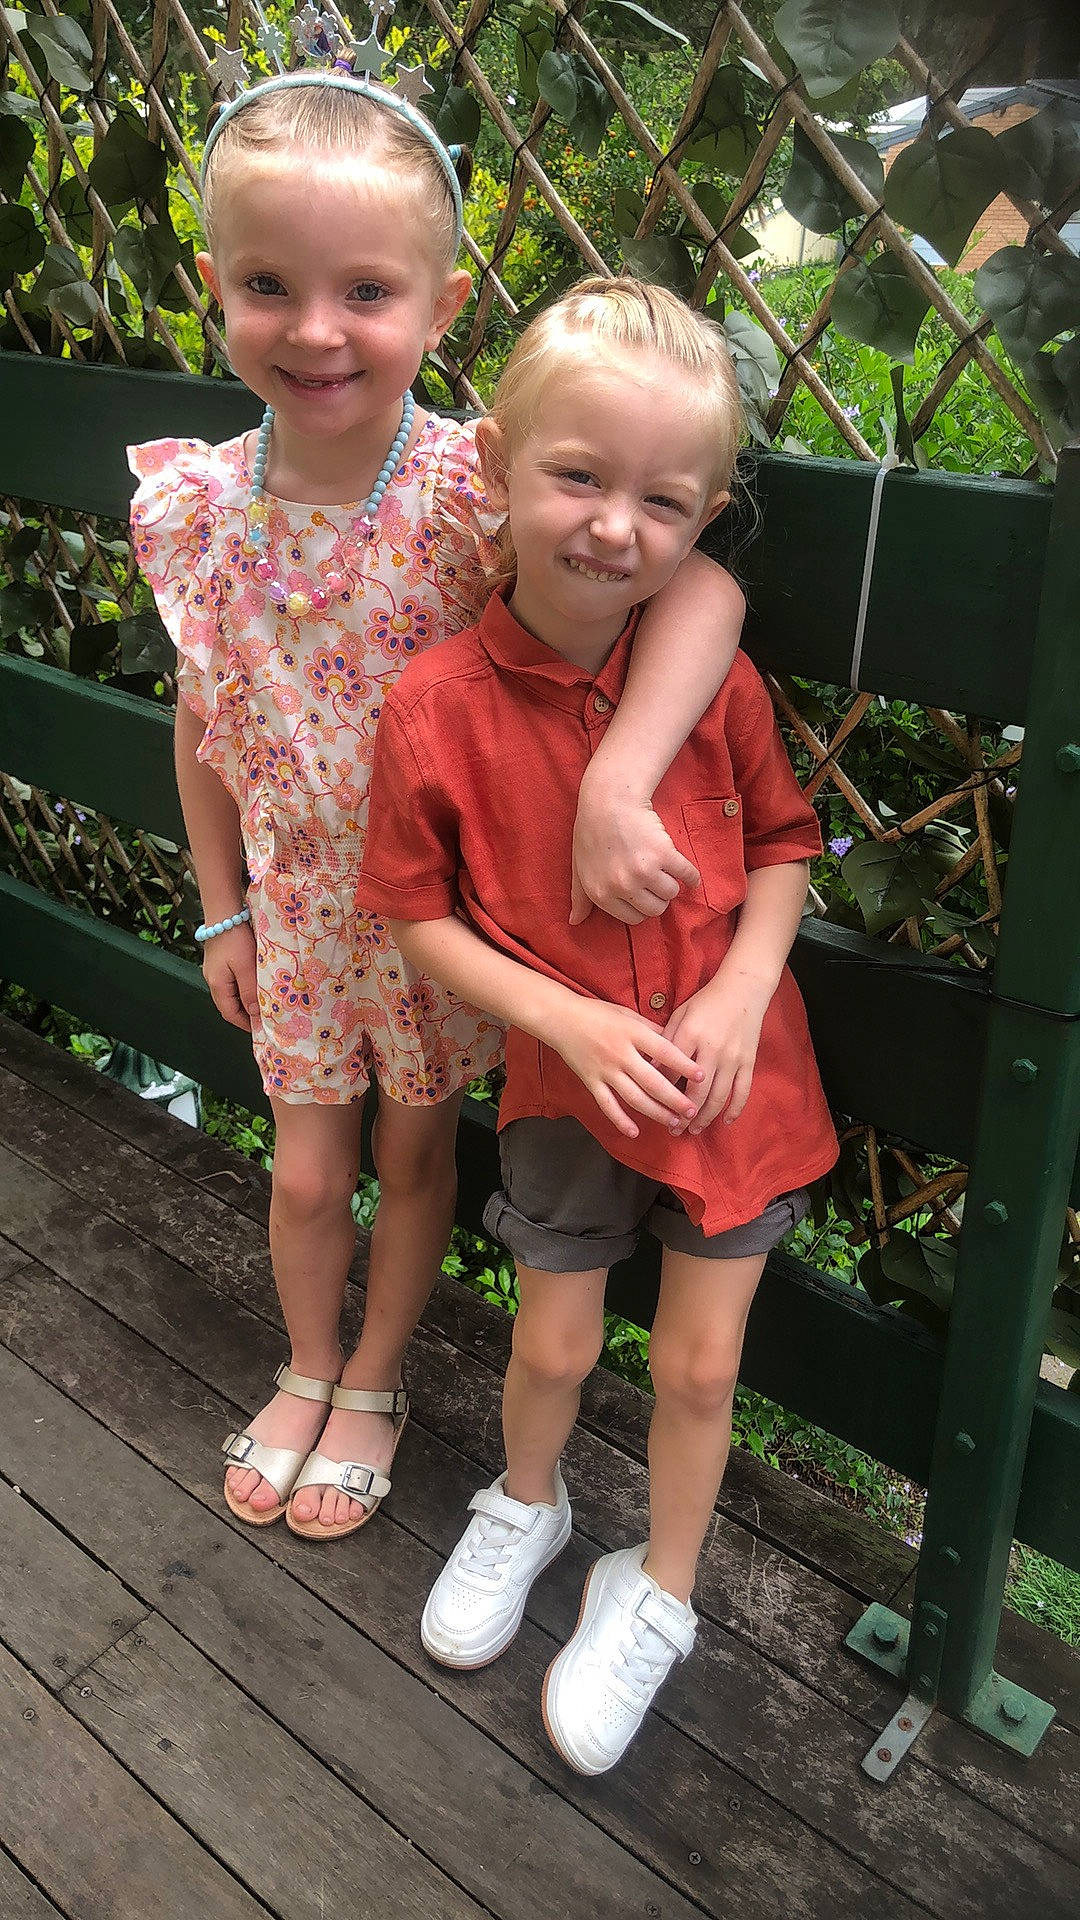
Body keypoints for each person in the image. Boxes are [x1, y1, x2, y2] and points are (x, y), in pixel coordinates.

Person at [128, 61, 746, 1542]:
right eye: (270, 286)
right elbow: (202, 720)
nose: (317, 330)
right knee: (304, 1174)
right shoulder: (195, 509)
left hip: (444, 924)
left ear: (442, 304)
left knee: (414, 1159)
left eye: (367, 291)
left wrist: (615, 777)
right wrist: (219, 906)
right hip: (293, 920)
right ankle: (307, 1363)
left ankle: (377, 1381)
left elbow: (701, 590)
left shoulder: (479, 487)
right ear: (217, 288)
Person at [359, 277, 838, 1772]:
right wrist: (565, 1020)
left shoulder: (710, 681)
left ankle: (661, 1587)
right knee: (554, 1342)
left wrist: (742, 991)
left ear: (705, 518)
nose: (617, 527)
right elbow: (414, 914)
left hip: (732, 1086)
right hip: (568, 1091)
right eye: (578, 477)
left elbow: (786, 843)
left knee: (700, 1369)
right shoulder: (435, 705)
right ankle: (529, 1502)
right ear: (498, 464)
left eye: (665, 501)